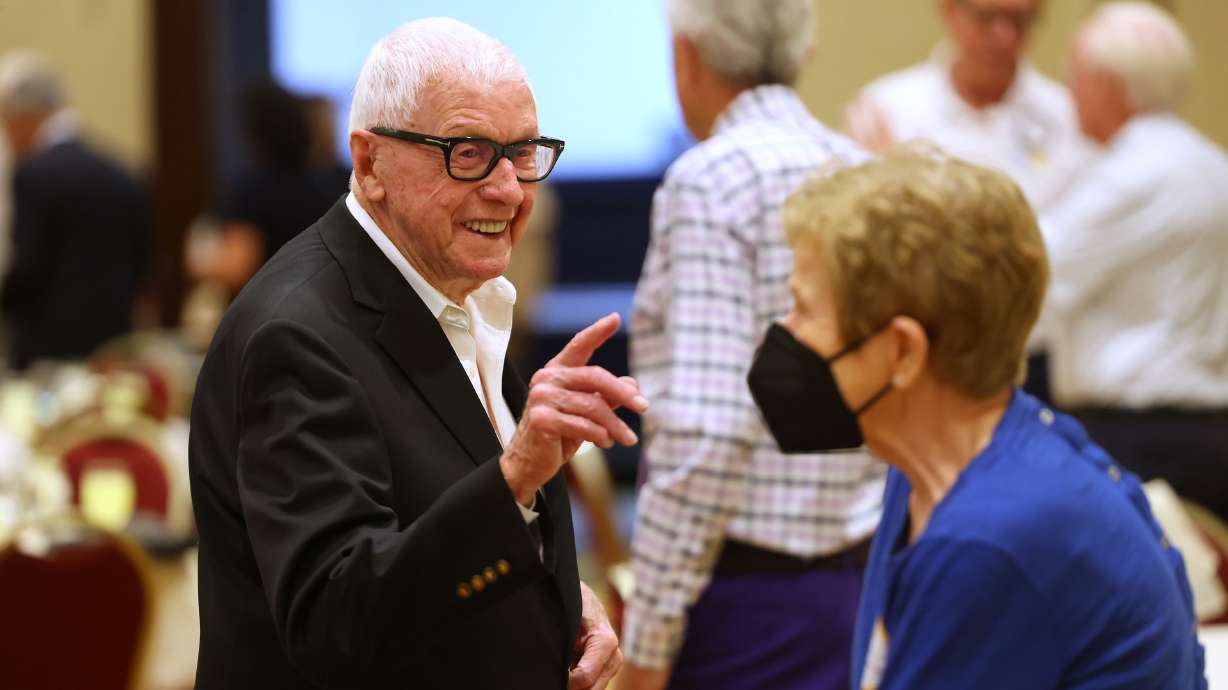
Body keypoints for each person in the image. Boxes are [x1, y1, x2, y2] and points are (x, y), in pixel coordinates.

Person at [189, 18, 635, 689]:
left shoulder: (456, 289)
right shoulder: (295, 336)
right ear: (371, 164)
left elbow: (446, 530)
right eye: (468, 153)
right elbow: (335, 618)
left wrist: (561, 603)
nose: (509, 189)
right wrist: (517, 475)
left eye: (522, 153)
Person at [747, 149, 1206, 689]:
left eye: (805, 309)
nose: (786, 330)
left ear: (903, 352)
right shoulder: (946, 466)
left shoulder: (985, 540)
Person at [617, 2, 885, 689]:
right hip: (854, 583)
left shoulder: (709, 181)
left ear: (686, 55)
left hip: (741, 600)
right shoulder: (863, 172)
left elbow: (707, 429)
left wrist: (647, 643)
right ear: (803, 54)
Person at [845, 0, 1088, 404]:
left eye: (1020, 21)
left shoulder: (1066, 116)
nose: (1004, 36)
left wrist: (912, 194)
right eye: (987, 17)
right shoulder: (889, 106)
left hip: (1031, 353)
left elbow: (1073, 243)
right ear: (950, 12)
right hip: (924, 349)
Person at [1042, 2, 1228, 525]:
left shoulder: (1129, 176)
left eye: (1075, 75)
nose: (1070, 91)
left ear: (1107, 83)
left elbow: (1033, 270)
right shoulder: (1212, 163)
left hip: (1140, 435)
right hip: (1205, 424)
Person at [0, 53, 152, 370]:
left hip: (47, 358)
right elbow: (144, 266)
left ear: (25, 118)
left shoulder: (32, 175)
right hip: (113, 352)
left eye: (6, 122)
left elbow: (28, 270)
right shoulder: (124, 173)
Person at [196, 81, 347, 296]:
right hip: (319, 302)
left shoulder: (253, 191)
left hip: (268, 307)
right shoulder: (325, 186)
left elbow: (237, 268)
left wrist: (199, 262)